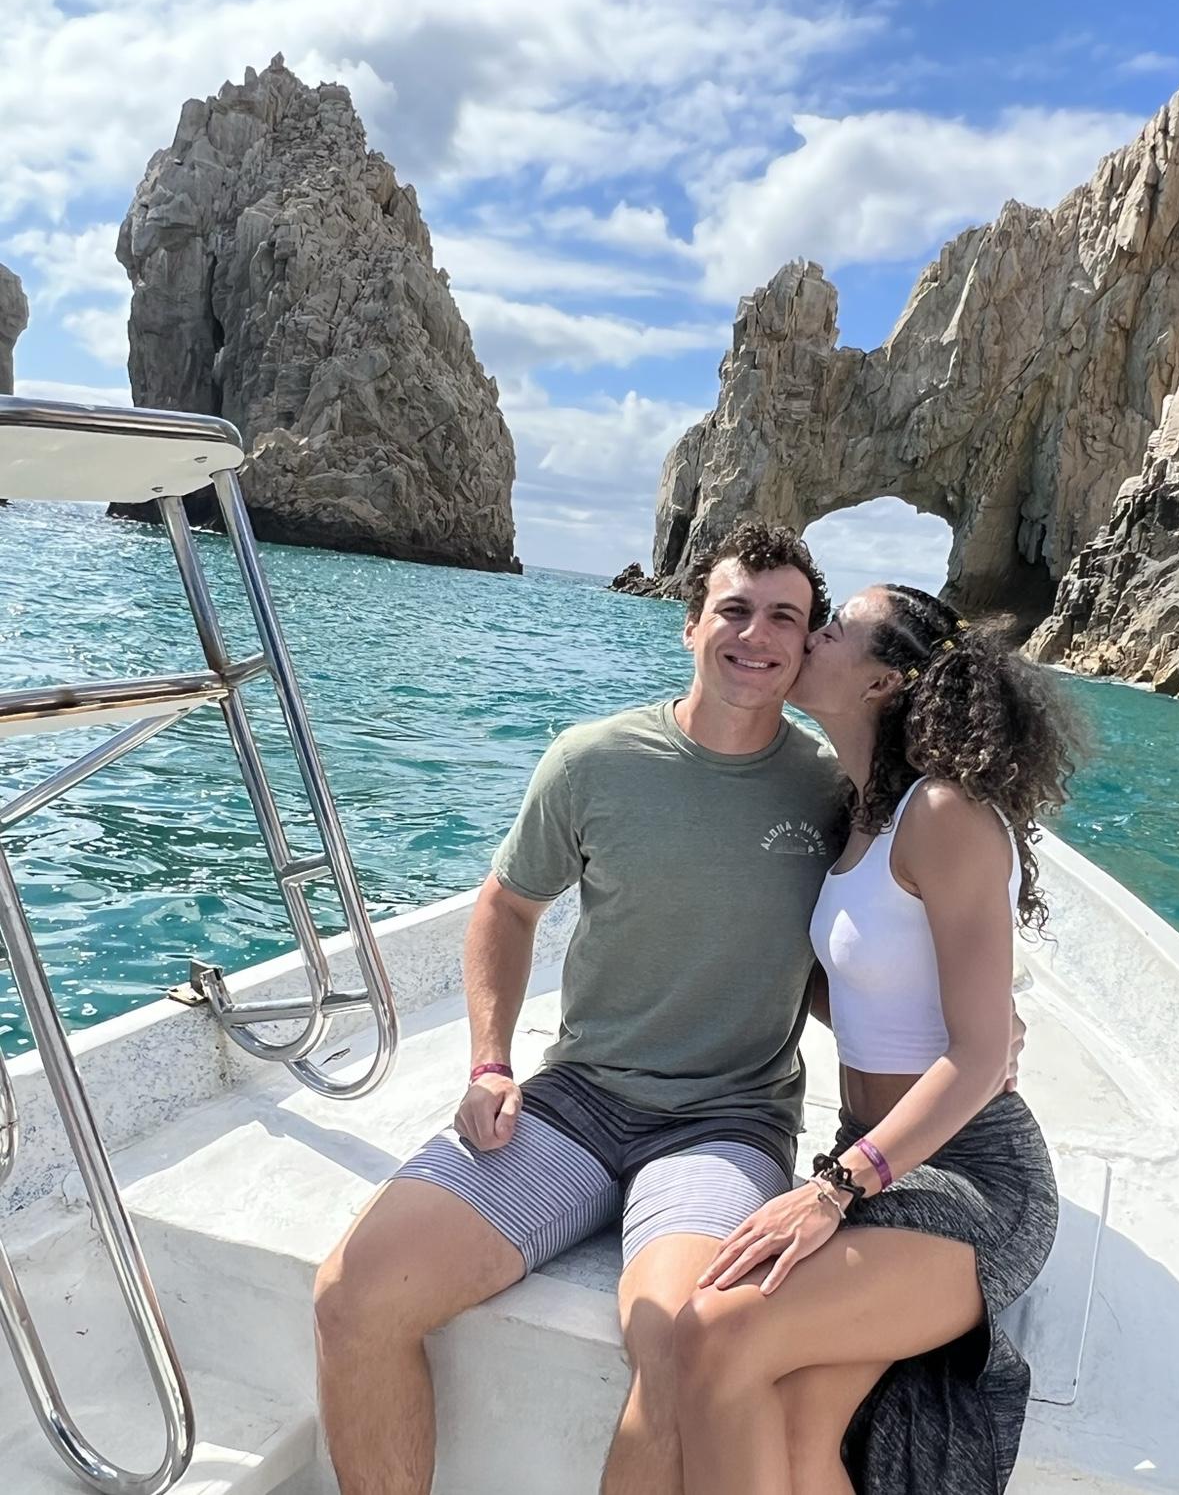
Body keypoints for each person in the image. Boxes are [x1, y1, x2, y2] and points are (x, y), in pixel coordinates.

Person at [312, 519, 850, 1495]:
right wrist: (489, 1062)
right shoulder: (594, 761)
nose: (755, 634)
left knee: (683, 1345)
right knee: (353, 1296)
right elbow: (507, 907)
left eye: (784, 616)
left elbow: (866, 938)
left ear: (808, 642)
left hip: (727, 1124)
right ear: (690, 624)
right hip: (577, 1102)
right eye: (733, 608)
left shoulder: (830, 788)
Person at [675, 582, 1076, 1495]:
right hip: (871, 1156)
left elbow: (979, 1054)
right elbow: (860, 990)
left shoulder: (944, 813)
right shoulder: (857, 815)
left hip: (970, 1176)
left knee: (712, 1333)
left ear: (883, 681)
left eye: (834, 629)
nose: (809, 637)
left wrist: (833, 1190)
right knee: (797, 1425)